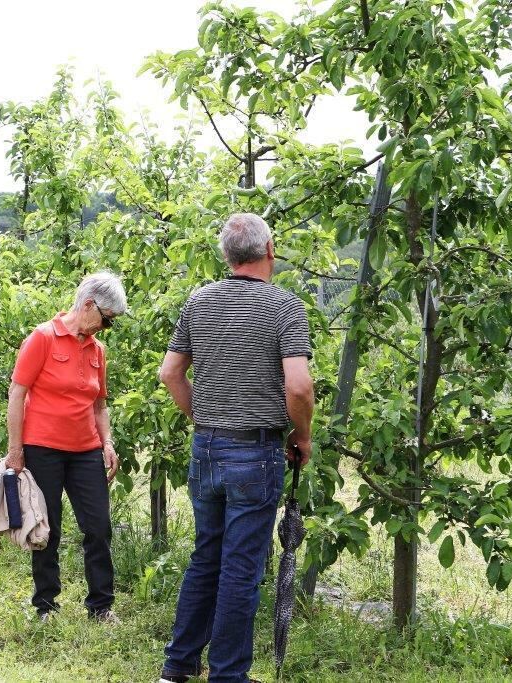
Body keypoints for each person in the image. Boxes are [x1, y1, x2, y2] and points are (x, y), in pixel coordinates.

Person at [157, 213, 314, 683]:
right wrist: (301, 435)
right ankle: (227, 675)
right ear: (271, 251)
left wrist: (203, 420)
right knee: (241, 569)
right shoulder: (285, 307)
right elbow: (300, 388)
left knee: (206, 556)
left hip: (206, 448)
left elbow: (170, 373)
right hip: (255, 453)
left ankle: (177, 667)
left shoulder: (199, 302)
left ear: (226, 256)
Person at [5, 271, 126, 623]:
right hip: (42, 447)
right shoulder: (42, 338)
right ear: (89, 305)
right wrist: (16, 451)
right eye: (107, 320)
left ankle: (101, 606)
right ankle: (46, 606)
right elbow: (17, 394)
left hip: (85, 449)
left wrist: (108, 443)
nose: (106, 328)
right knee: (48, 528)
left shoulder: (96, 350)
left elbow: (100, 405)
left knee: (99, 526)